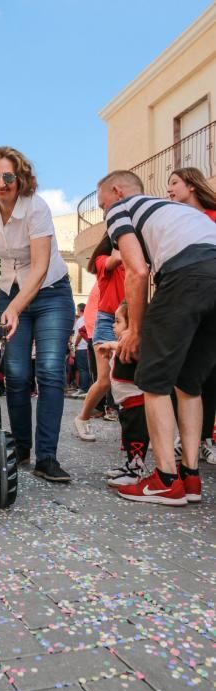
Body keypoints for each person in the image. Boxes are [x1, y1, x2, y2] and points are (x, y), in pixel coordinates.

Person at [98, 169, 216, 506]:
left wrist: (135, 330)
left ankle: (165, 480)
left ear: (117, 192)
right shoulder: (180, 212)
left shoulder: (122, 209)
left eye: (104, 203)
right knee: (189, 383)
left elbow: (137, 270)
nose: (105, 211)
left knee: (153, 380)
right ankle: (190, 477)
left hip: (187, 274)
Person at [0, 146, 75, 482]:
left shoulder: (36, 208)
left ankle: (47, 458)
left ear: (19, 177)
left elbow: (39, 268)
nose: (0, 183)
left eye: (7, 177)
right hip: (10, 290)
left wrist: (14, 307)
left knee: (52, 372)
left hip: (51, 293)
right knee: (15, 373)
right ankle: (20, 448)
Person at [167, 167, 216, 465]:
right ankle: (186, 438)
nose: (170, 189)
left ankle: (204, 439)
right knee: (181, 371)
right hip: (180, 303)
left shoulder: (211, 219)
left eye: (174, 183)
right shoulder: (173, 221)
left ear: (192, 186)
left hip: (210, 300)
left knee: (209, 373)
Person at [73, 233, 124, 441]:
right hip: (107, 321)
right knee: (104, 381)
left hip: (130, 319)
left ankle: (140, 429)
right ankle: (82, 418)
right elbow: (117, 258)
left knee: (135, 381)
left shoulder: (133, 261)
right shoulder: (103, 261)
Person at [98, 301, 149, 488]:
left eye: (118, 321)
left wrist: (113, 345)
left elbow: (137, 354)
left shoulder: (134, 346)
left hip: (137, 403)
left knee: (136, 438)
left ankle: (136, 471)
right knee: (129, 437)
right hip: (127, 403)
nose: (113, 325)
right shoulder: (122, 344)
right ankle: (130, 466)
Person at [71, 303, 90, 398]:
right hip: (87, 346)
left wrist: (75, 344)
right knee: (86, 369)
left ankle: (84, 388)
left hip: (81, 347)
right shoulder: (87, 318)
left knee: (83, 369)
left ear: (79, 310)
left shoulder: (80, 320)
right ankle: (87, 388)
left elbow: (79, 333)